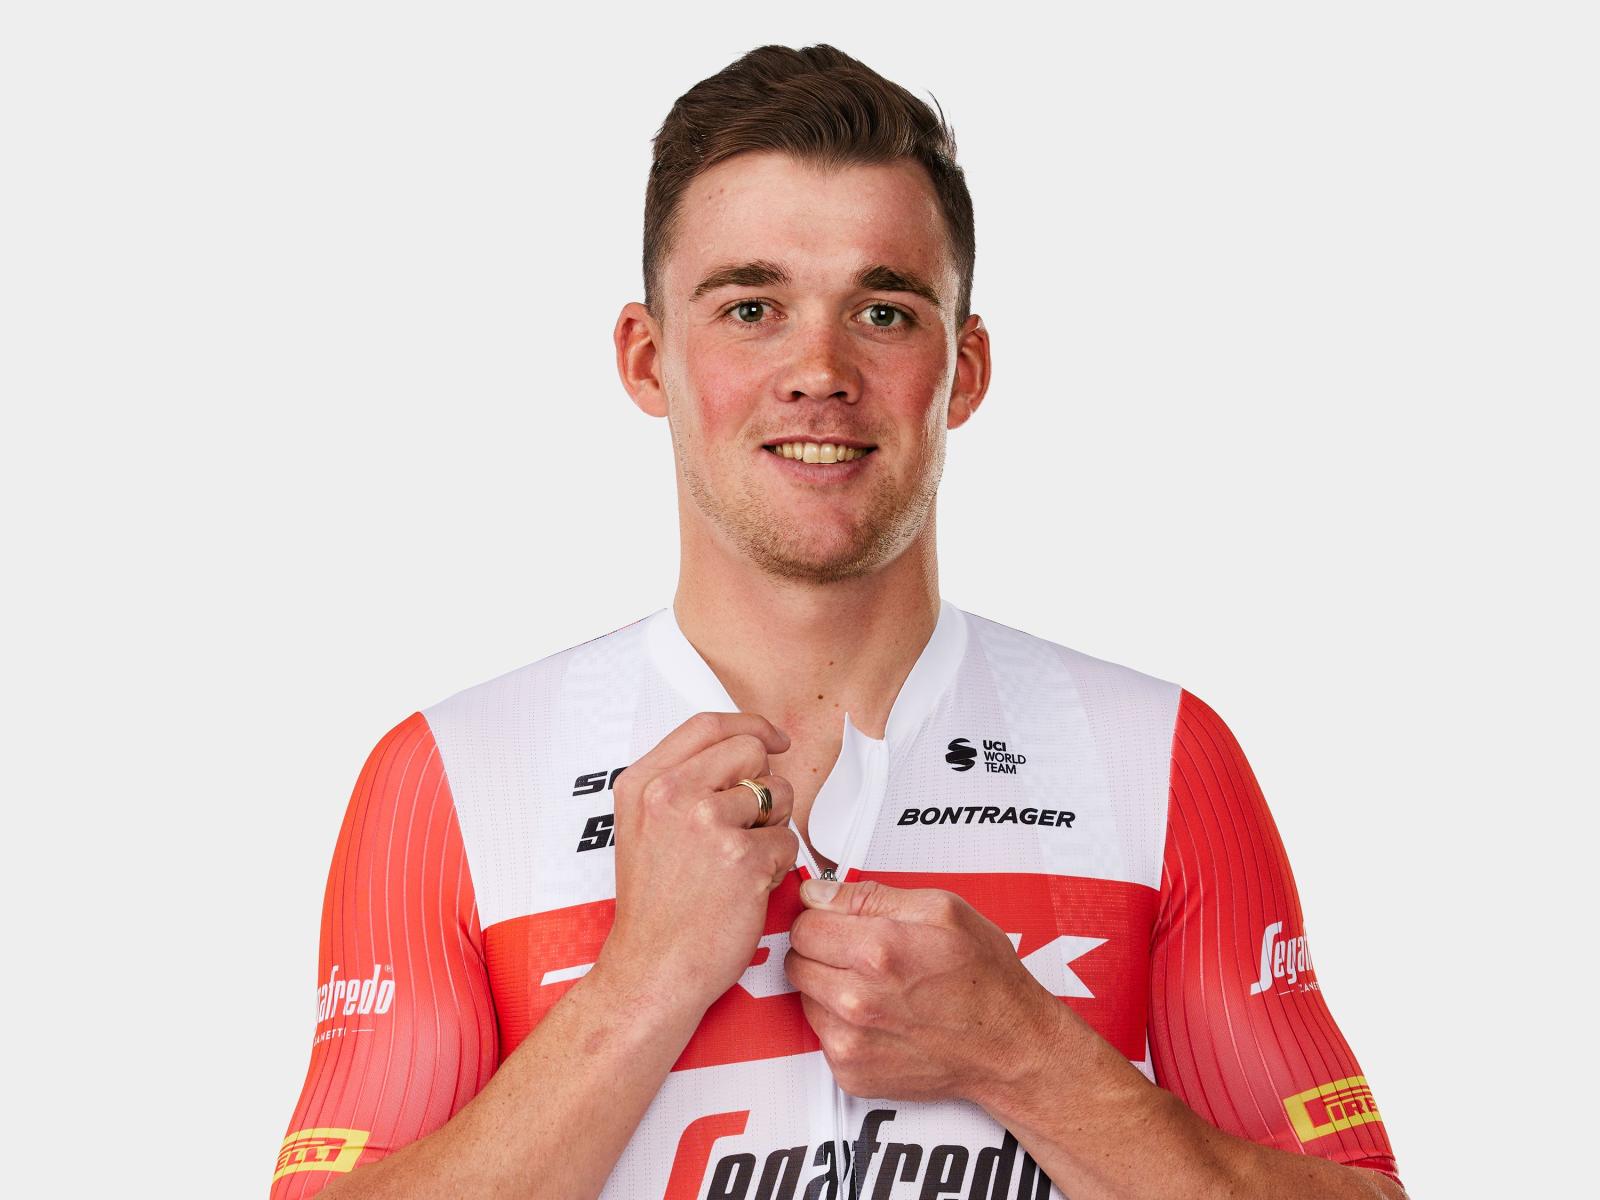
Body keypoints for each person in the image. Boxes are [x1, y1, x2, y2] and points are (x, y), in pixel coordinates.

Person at [270, 43, 1406, 1200]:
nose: (818, 370)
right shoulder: (458, 777)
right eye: (751, 308)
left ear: (964, 369)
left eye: (882, 311)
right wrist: (640, 987)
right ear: (648, 359)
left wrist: (1025, 1054)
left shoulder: (1155, 758)